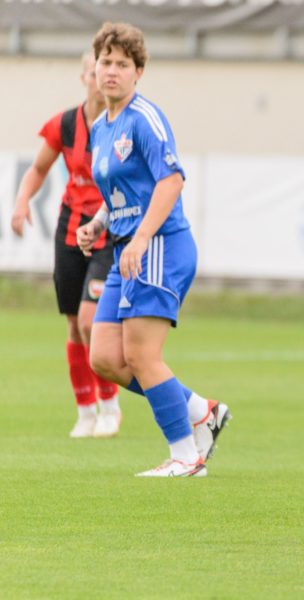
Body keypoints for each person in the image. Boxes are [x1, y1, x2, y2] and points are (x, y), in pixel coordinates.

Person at [76, 22, 230, 477]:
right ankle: (202, 409)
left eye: (123, 64)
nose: (112, 71)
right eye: (106, 62)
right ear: (95, 66)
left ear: (138, 72)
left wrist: (141, 237)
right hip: (128, 247)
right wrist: (99, 223)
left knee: (143, 355)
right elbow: (121, 191)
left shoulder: (144, 117)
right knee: (104, 356)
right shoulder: (102, 127)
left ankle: (186, 456)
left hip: (159, 245)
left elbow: (171, 178)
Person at [11, 50, 122, 438]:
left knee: (92, 322)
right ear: (83, 78)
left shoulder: (122, 124)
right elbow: (39, 168)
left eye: (105, 70)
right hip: (69, 231)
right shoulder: (66, 124)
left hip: (107, 234)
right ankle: (85, 410)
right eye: (93, 72)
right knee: (74, 324)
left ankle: (110, 404)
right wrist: (22, 201)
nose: (99, 78)